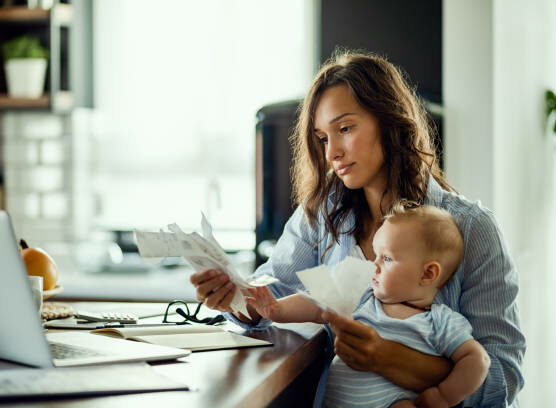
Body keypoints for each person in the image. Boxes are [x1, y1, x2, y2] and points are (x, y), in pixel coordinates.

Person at [189, 51, 525, 407]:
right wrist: (236, 297)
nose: (332, 152)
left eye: (345, 129)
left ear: (389, 121)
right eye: (322, 138)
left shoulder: (471, 228)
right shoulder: (321, 213)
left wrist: (386, 357)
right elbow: (269, 293)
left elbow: (502, 379)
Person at [245, 204, 490, 407]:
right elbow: (316, 303)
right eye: (375, 255)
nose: (374, 265)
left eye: (387, 258)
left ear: (427, 274)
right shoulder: (363, 297)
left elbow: (477, 360)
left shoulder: (441, 322)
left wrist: (443, 396)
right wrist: (277, 309)